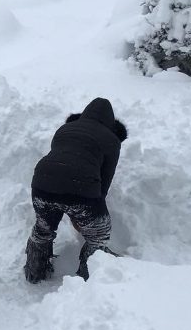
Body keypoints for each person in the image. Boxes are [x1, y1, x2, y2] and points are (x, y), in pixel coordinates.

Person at [23, 97, 127, 283]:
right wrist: (86, 215)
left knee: (43, 228)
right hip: (81, 187)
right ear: (111, 122)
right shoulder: (112, 140)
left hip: (42, 183)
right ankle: (89, 281)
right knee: (99, 235)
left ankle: (35, 271)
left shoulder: (64, 129)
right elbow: (103, 184)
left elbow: (61, 162)